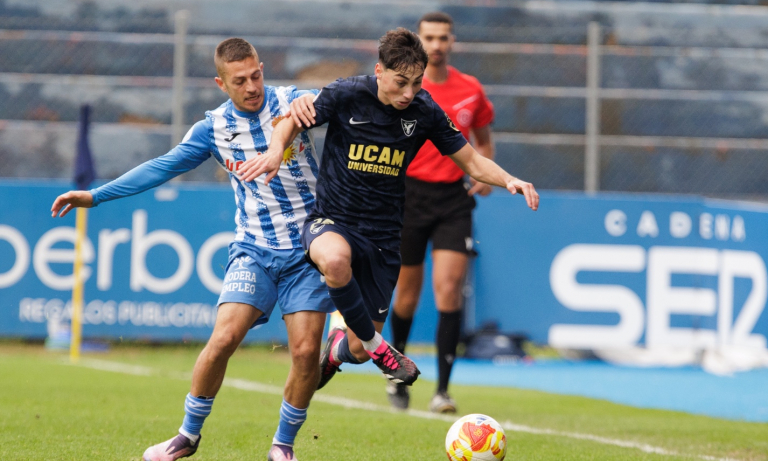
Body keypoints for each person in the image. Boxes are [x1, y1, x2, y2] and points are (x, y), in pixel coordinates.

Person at [51, 38, 331, 461]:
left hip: (309, 250)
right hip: (254, 249)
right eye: (241, 81)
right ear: (221, 83)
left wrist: (314, 97)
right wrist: (95, 196)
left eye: (256, 75)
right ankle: (187, 436)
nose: (252, 86)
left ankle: (282, 446)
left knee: (307, 351)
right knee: (223, 338)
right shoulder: (213, 129)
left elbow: (328, 100)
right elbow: (161, 167)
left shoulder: (290, 101)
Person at [238, 28, 538, 395]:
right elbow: (290, 119)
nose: (408, 92)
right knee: (334, 263)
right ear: (379, 71)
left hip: (382, 237)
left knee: (356, 350)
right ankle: (383, 352)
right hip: (333, 221)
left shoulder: (425, 110)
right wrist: (274, 152)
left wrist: (510, 180)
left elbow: (472, 161)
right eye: (401, 82)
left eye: (416, 83)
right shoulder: (346, 93)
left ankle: (338, 351)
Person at [386, 11, 497, 414]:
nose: (436, 44)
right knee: (408, 295)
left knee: (449, 290)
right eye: (429, 37)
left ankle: (443, 390)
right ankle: (395, 373)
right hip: (408, 196)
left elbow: (483, 139)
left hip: (453, 198)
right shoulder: (403, 88)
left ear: (452, 42)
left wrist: (485, 170)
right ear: (419, 40)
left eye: (443, 38)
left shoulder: (470, 89)